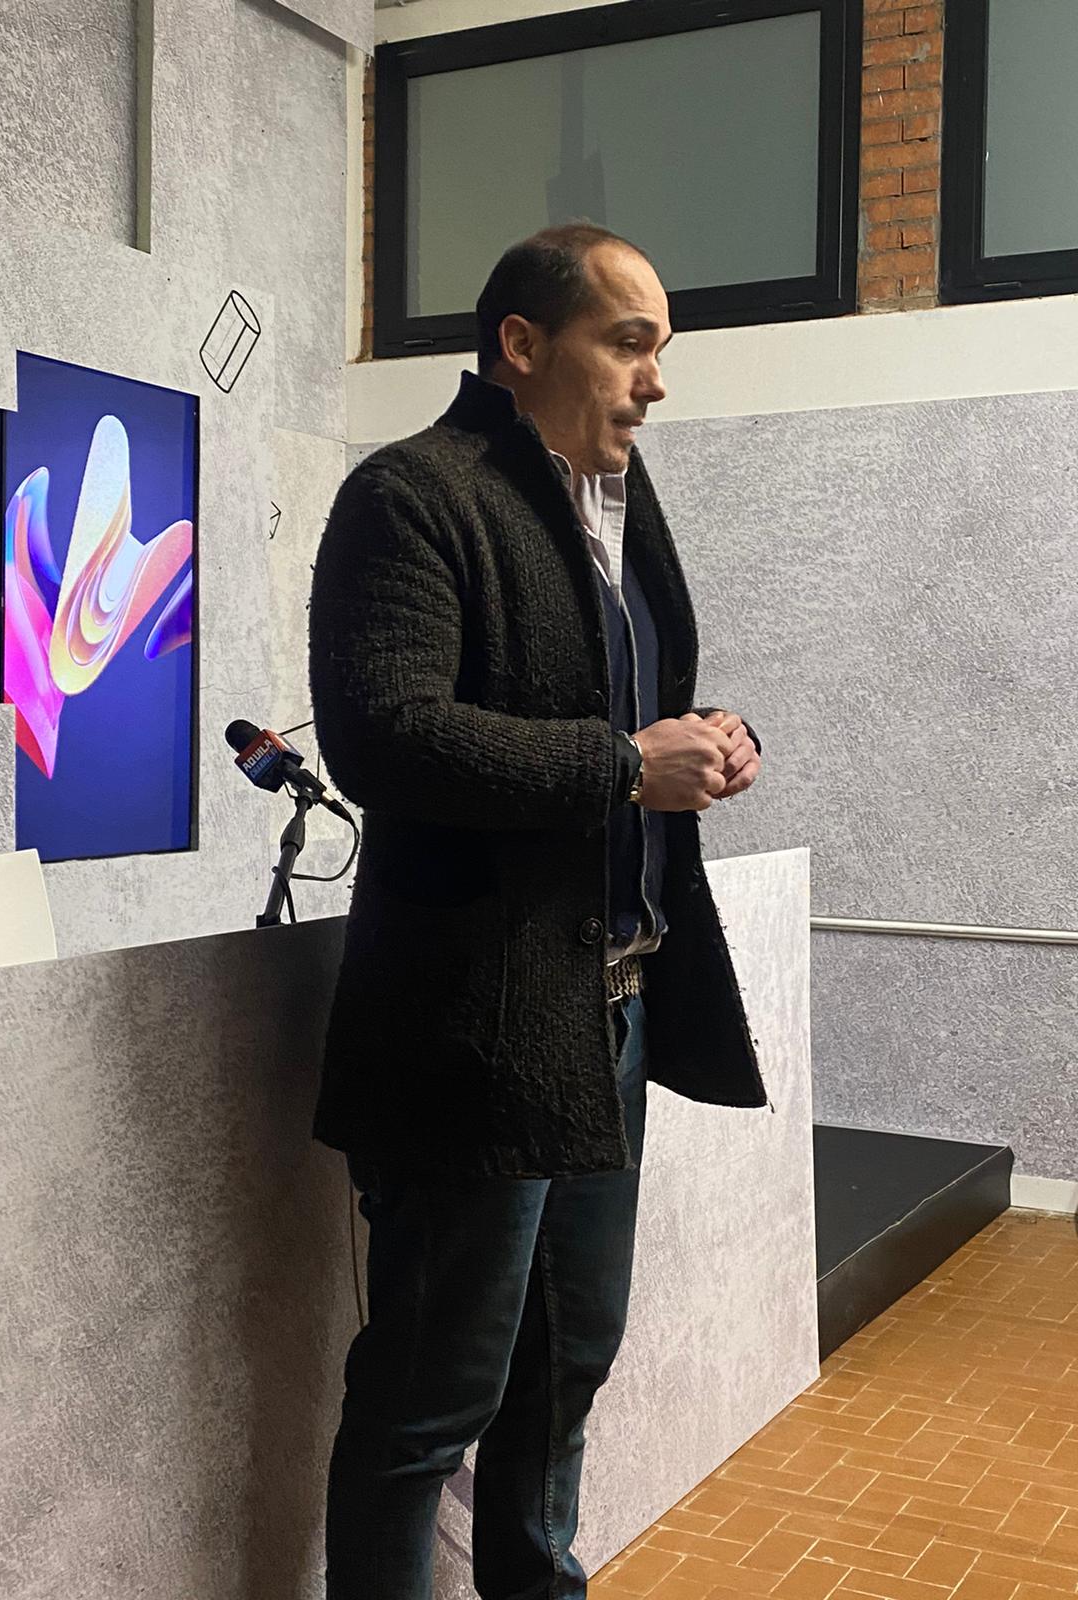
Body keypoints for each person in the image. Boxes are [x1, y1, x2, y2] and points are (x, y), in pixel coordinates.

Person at [308, 223, 768, 1600]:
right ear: (521, 343)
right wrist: (624, 766)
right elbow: (384, 735)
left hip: (608, 1018)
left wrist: (707, 734)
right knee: (428, 1403)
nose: (654, 381)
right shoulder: (411, 494)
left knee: (567, 1372)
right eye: (628, 345)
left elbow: (612, 706)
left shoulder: (615, 507)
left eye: (658, 351)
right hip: (470, 1038)